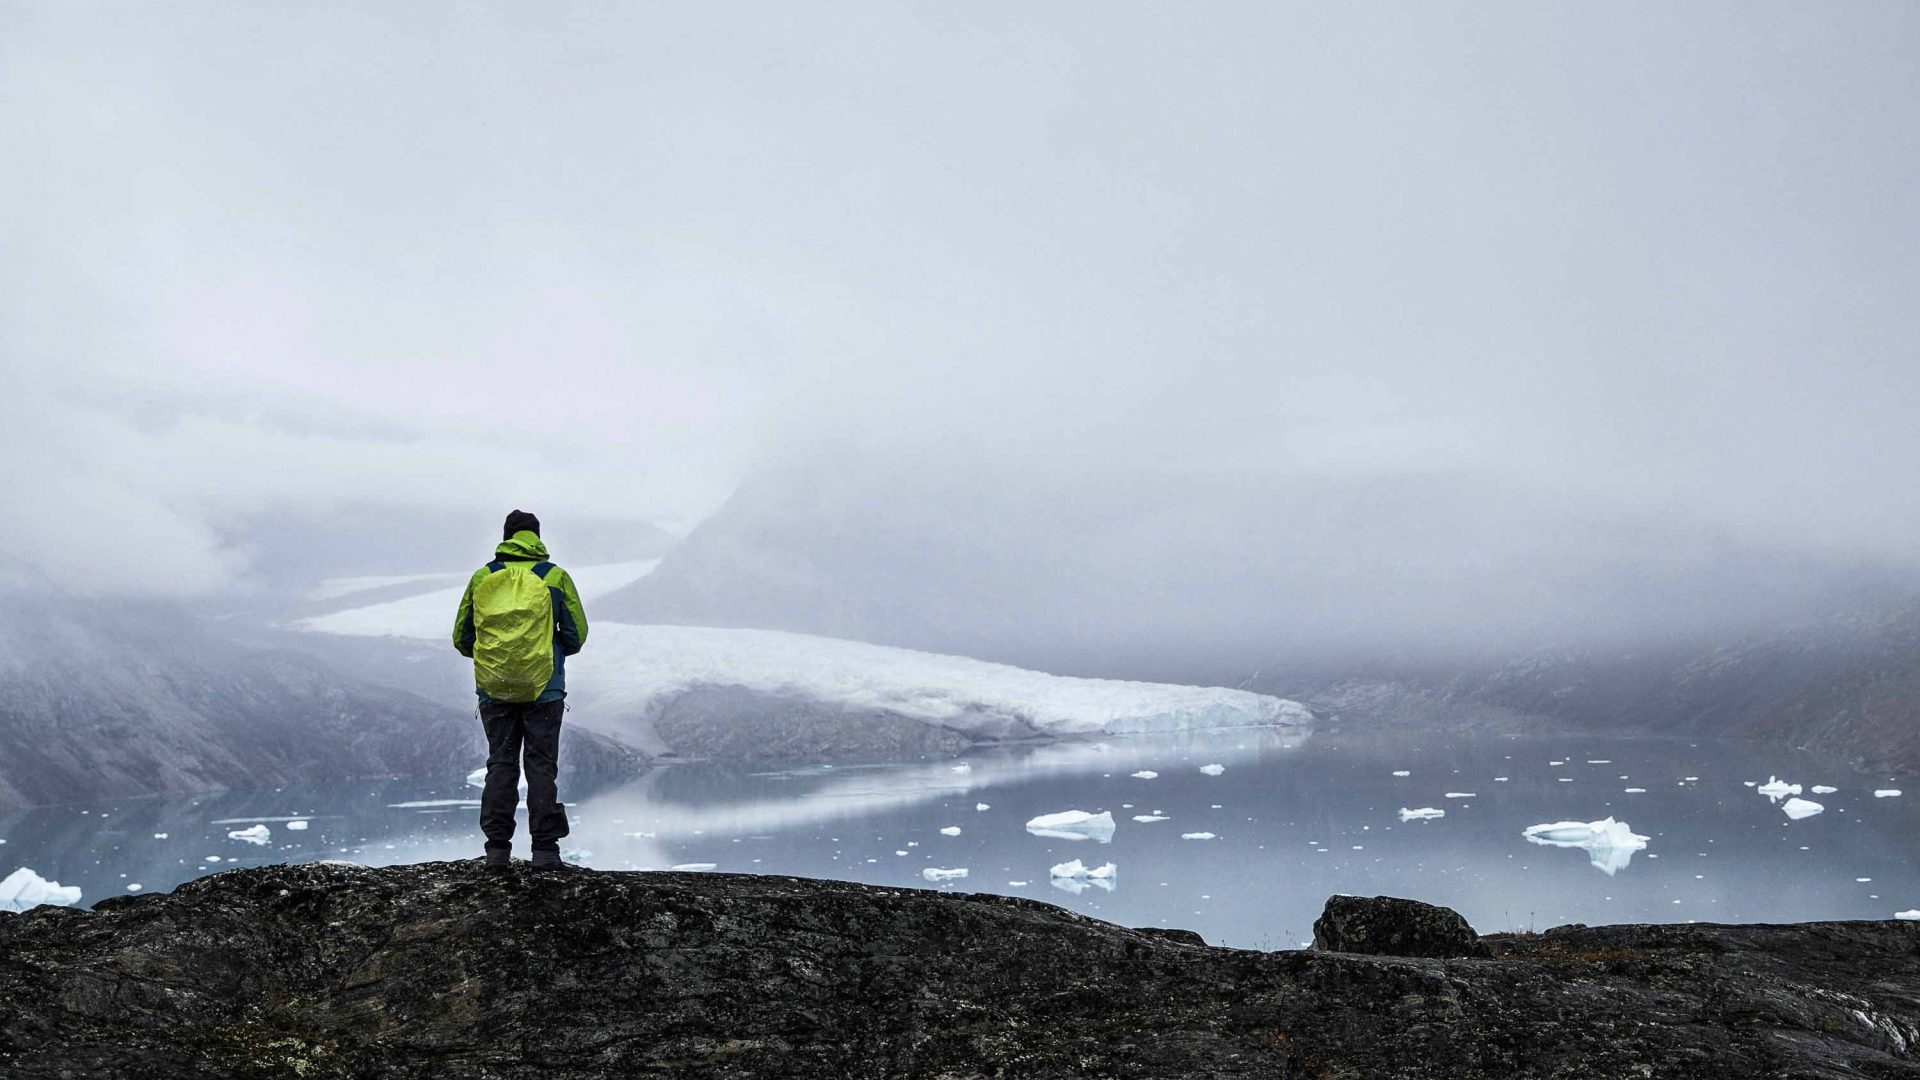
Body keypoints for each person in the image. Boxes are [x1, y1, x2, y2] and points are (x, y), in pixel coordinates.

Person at [453, 510, 589, 870]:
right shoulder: (554, 577)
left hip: (494, 690)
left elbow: (462, 637)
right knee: (541, 767)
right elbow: (576, 634)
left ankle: (497, 850)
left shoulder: (484, 577)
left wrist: (494, 661)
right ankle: (545, 850)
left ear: (506, 536)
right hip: (544, 690)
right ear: (537, 537)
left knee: (501, 764)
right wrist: (549, 652)